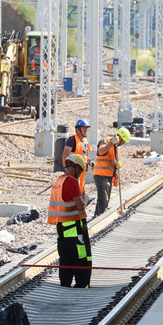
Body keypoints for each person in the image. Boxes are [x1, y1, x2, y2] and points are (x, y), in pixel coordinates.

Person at [49, 153, 93, 288]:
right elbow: (80, 206)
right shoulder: (72, 181)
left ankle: (65, 287)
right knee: (82, 258)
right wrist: (86, 199)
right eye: (80, 170)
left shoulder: (59, 181)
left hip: (62, 229)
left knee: (66, 260)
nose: (80, 174)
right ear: (75, 167)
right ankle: (82, 287)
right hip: (75, 229)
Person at [92, 127, 131, 217]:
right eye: (123, 140)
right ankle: (101, 216)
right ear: (119, 137)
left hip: (108, 176)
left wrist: (117, 165)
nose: (123, 143)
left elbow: (113, 161)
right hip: (101, 175)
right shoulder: (105, 141)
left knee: (103, 198)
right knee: (104, 199)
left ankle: (96, 216)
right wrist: (111, 143)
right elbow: (101, 151)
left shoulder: (117, 148)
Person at [64, 118, 92, 188]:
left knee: (81, 190)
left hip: (82, 172)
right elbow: (64, 154)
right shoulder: (72, 140)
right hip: (74, 172)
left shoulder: (85, 141)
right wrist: (65, 168)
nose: (86, 130)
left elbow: (84, 155)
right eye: (83, 128)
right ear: (77, 130)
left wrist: (89, 162)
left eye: (86, 128)